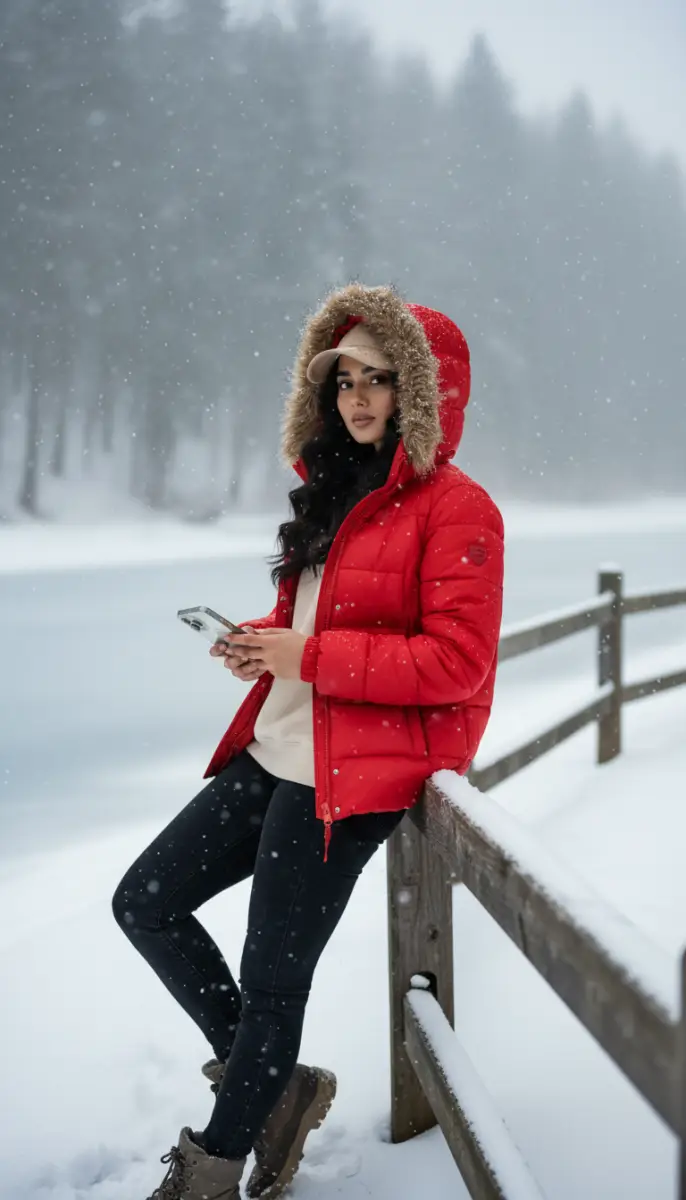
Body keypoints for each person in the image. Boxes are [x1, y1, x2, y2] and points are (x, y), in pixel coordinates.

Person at [113, 282, 504, 1200]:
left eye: (380, 379)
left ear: (425, 393)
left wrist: (311, 654)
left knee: (272, 981)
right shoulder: (336, 492)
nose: (358, 398)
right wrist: (265, 645)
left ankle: (211, 1168)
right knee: (146, 903)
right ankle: (277, 1084)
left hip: (357, 777)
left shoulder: (459, 508)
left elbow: (455, 663)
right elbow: (324, 621)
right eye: (343, 381)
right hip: (280, 746)